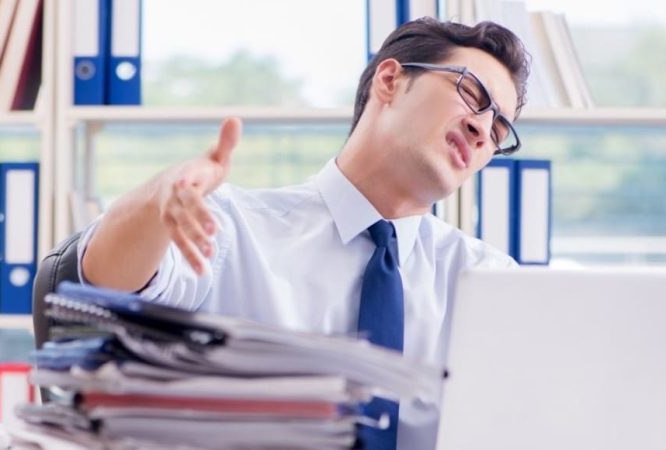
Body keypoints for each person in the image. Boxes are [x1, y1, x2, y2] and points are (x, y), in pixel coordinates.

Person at [78, 17, 529, 450]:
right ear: (389, 81)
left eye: (500, 129)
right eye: (471, 93)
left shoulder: (489, 282)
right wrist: (161, 197)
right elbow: (104, 280)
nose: (481, 129)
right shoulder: (233, 228)